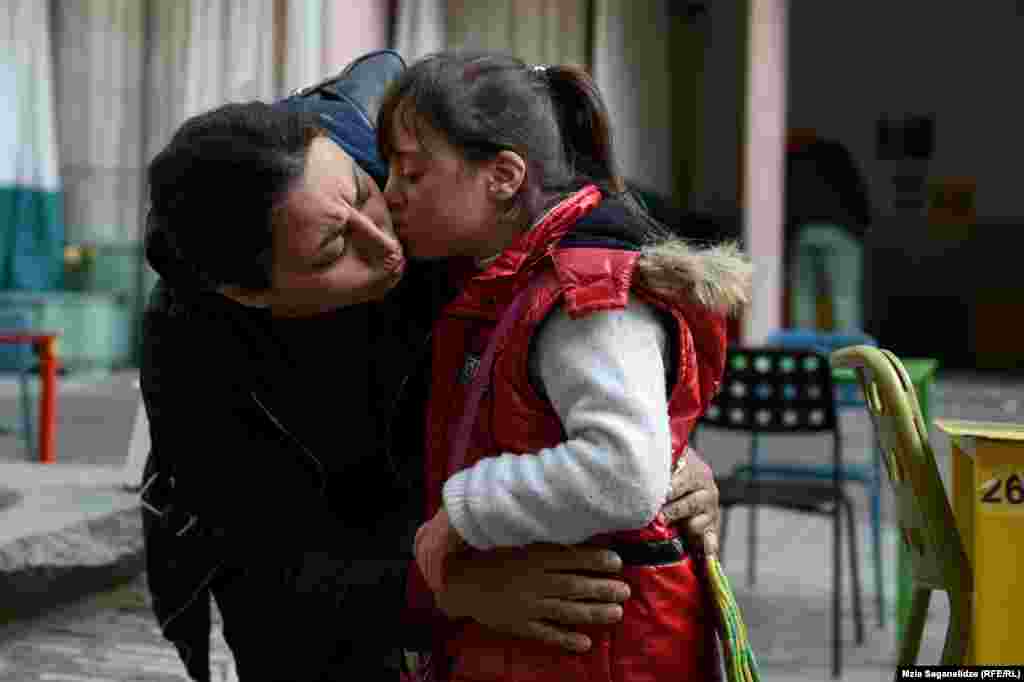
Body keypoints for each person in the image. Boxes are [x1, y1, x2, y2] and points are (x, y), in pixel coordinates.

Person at [139, 50, 723, 681]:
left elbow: (597, 258)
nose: (386, 243)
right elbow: (264, 565)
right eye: (336, 248)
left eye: (367, 191)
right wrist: (439, 588)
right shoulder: (192, 343)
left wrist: (650, 442)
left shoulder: (427, 168)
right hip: (329, 608)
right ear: (252, 297)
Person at [378, 51, 752, 681]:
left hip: (607, 656)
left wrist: (460, 513)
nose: (388, 196)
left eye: (411, 175)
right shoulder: (511, 280)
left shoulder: (585, 296)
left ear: (502, 176)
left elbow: (624, 471)